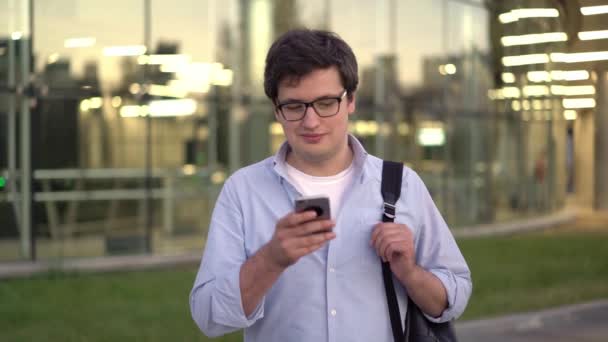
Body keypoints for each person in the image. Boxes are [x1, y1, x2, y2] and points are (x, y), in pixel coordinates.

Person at [190, 29, 472, 342]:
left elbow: (454, 299)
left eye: (326, 103)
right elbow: (209, 316)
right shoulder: (243, 191)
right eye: (295, 106)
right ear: (276, 109)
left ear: (350, 100)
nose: (311, 122)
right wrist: (270, 260)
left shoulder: (402, 185)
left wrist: (409, 273)